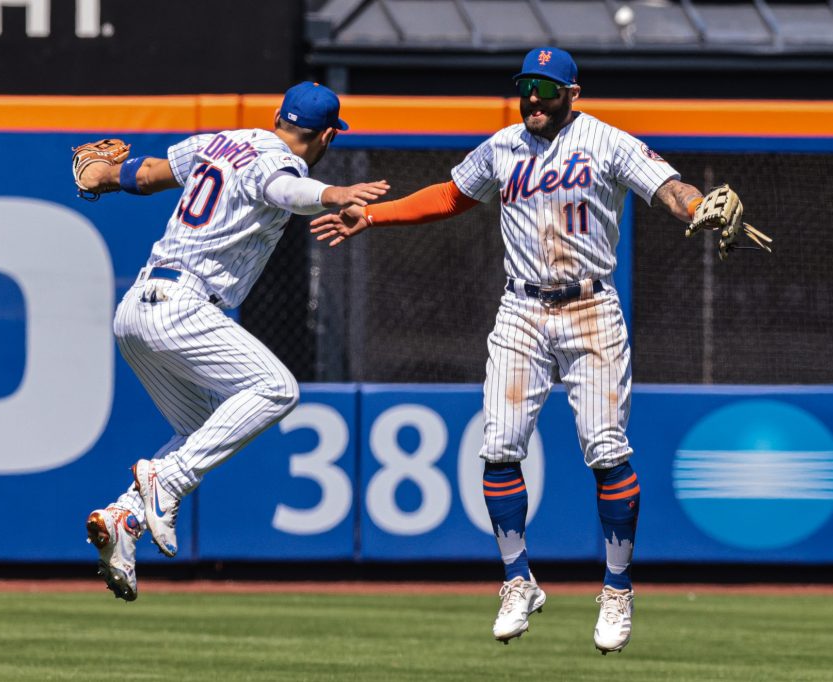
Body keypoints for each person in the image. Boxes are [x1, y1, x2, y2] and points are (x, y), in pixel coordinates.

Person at [310, 47, 724, 653]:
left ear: (572, 93)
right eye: (526, 86)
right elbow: (451, 196)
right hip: (522, 308)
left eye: (546, 88)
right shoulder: (503, 146)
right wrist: (374, 217)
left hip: (589, 308)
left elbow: (669, 187)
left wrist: (696, 207)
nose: (533, 97)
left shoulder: (606, 142)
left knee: (607, 451)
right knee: (499, 446)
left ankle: (616, 589)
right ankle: (516, 579)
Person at [78, 81, 389, 602]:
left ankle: (124, 517)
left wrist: (108, 174)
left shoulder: (220, 140)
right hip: (183, 306)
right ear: (329, 135)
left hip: (136, 308)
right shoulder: (280, 163)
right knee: (278, 390)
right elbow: (286, 191)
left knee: (206, 430)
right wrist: (334, 194)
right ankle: (166, 483)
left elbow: (150, 174)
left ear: (278, 117)